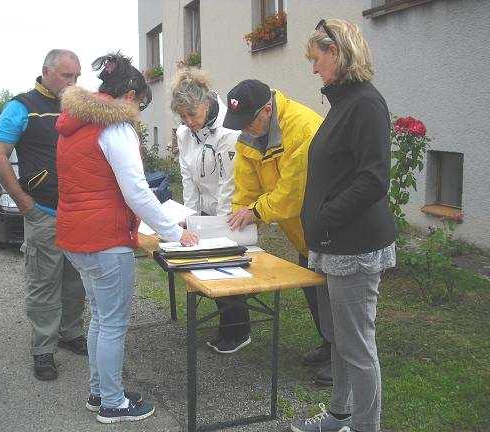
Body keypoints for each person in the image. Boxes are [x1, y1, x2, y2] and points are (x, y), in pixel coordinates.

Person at [55, 52, 198, 424]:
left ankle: (99, 391)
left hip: (75, 235)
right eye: (140, 104)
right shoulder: (114, 127)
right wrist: (173, 232)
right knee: (113, 322)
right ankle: (113, 404)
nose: (138, 113)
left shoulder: (72, 124)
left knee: (101, 318)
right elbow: (135, 191)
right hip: (105, 240)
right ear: (130, 96)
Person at [289, 19, 397, 432]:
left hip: (355, 245)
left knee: (357, 347)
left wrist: (326, 216)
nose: (314, 69)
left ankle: (366, 426)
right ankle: (338, 417)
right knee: (339, 339)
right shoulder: (343, 103)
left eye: (316, 59)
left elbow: (374, 177)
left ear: (336, 53)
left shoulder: (367, 103)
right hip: (333, 244)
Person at [223, 79, 333, 383]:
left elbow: (294, 192)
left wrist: (257, 212)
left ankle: (344, 361)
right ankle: (329, 344)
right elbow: (245, 187)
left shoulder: (302, 128)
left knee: (334, 293)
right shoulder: (249, 137)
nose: (244, 130)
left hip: (328, 225)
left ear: (267, 110)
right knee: (312, 286)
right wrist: (239, 222)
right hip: (303, 233)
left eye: (248, 123)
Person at [0, 49, 86, 381]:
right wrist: (22, 201)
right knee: (44, 283)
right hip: (43, 212)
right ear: (46, 71)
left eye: (76, 76)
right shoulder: (21, 107)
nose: (73, 82)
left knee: (76, 280)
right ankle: (43, 349)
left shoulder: (77, 105)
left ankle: (70, 333)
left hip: (77, 212)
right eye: (66, 76)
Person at [170, 67, 252, 354]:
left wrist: (220, 228)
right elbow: (187, 176)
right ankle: (225, 327)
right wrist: (189, 218)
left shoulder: (228, 132)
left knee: (227, 267)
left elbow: (228, 185)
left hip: (228, 209)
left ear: (206, 104)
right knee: (209, 271)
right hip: (203, 208)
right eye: (182, 117)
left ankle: (239, 331)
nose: (188, 122)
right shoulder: (185, 132)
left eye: (192, 115)